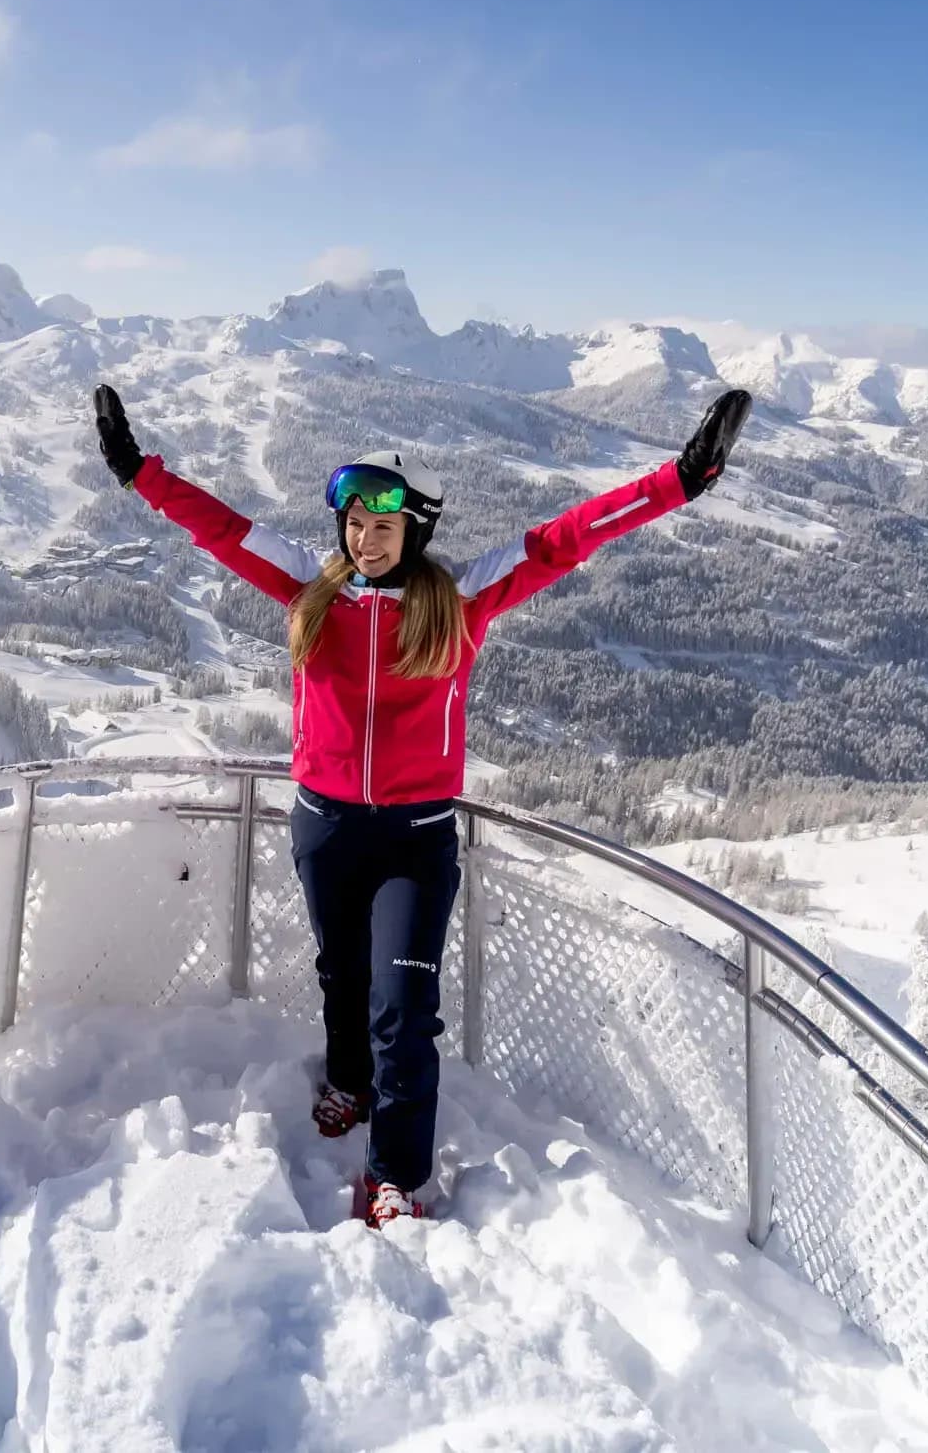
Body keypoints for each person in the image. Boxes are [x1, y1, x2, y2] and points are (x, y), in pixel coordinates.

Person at [91, 381, 751, 1226]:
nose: (363, 541)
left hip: (416, 837)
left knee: (403, 1008)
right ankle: (348, 1080)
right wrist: (136, 470)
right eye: (353, 525)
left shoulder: (462, 601)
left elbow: (567, 539)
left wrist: (683, 480)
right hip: (326, 825)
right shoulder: (311, 589)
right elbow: (219, 528)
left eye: (383, 528)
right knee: (340, 974)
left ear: (415, 532)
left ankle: (396, 1174)